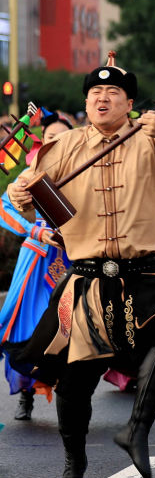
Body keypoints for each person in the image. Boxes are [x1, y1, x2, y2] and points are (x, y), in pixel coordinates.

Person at [7, 53, 155, 478]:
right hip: (85, 284)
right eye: (95, 93)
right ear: (86, 102)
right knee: (74, 384)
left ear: (129, 102)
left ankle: (138, 430)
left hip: (143, 276)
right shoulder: (62, 147)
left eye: (112, 93)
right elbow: (30, 200)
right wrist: (20, 193)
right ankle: (75, 461)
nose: (102, 98)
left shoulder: (151, 139)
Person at [0, 109, 72, 420]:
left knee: (70, 329)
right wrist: (36, 231)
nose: (57, 142)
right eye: (51, 137)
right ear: (42, 141)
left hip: (74, 260)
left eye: (63, 138)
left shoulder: (85, 172)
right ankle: (26, 395)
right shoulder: (29, 173)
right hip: (37, 261)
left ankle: (71, 397)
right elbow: (4, 208)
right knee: (26, 327)